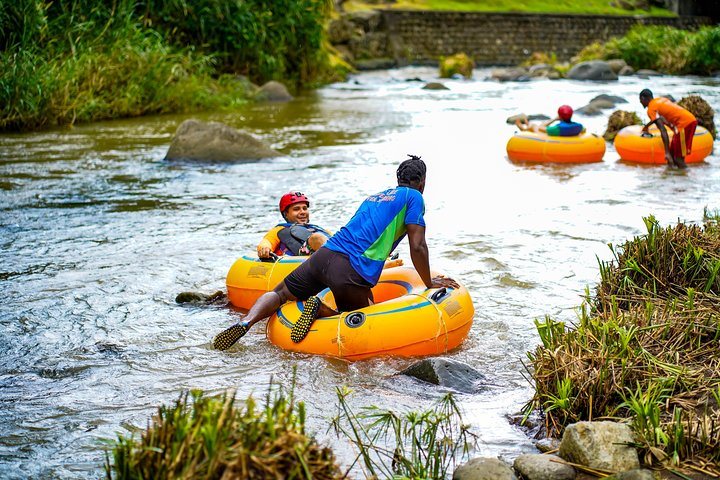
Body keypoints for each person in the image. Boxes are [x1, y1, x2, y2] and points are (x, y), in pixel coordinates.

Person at [213, 154, 459, 350]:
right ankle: (319, 309)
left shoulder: (375, 197)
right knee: (363, 317)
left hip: (325, 254)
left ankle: (245, 322)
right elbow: (418, 245)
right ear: (423, 181)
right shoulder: (414, 197)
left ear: (398, 178)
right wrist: (428, 281)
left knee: (279, 293)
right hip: (350, 268)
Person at [257, 191, 331, 259]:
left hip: (327, 257)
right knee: (317, 238)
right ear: (286, 214)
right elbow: (266, 242)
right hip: (302, 259)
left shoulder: (322, 230)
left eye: (304, 208)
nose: (303, 212)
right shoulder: (278, 230)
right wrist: (265, 249)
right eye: (296, 209)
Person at [639, 88, 697, 169]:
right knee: (673, 155)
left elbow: (663, 130)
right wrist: (646, 126)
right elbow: (658, 119)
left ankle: (688, 178)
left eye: (640, 100)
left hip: (684, 125)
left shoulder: (651, 109)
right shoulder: (659, 100)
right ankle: (673, 178)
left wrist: (666, 153)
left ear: (642, 98)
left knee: (677, 158)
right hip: (688, 121)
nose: (640, 102)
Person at [515, 105, 584, 136]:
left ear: (559, 116)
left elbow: (540, 127)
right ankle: (527, 126)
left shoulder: (557, 128)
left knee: (534, 126)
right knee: (535, 126)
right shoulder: (579, 126)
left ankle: (524, 129)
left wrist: (554, 119)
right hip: (566, 136)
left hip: (554, 138)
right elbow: (583, 131)